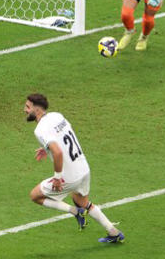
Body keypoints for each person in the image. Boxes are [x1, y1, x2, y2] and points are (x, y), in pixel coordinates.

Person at [24, 93, 125, 244]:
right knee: (81, 200)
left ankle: (74, 211)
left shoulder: (40, 129)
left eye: (27, 107)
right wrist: (47, 148)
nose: (24, 110)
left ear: (37, 110)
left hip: (69, 176)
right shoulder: (57, 116)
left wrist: (58, 178)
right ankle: (114, 232)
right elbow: (63, 136)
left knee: (35, 195)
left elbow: (58, 152)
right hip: (84, 169)